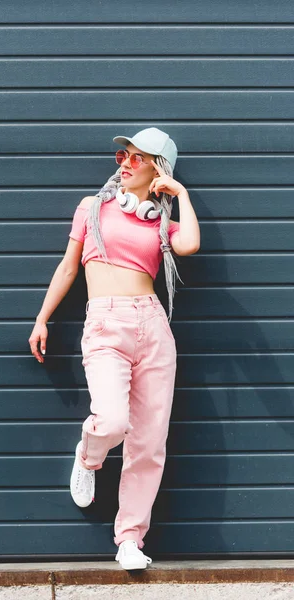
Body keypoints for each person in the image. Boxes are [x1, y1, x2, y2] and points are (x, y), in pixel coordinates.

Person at [28, 127, 200, 570]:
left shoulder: (161, 220)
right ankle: (88, 457)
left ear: (158, 169)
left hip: (153, 325)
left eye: (136, 157)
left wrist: (179, 192)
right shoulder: (93, 207)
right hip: (105, 323)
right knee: (113, 420)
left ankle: (130, 539)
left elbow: (190, 244)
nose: (124, 162)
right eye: (122, 154)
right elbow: (69, 268)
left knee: (149, 442)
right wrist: (42, 318)